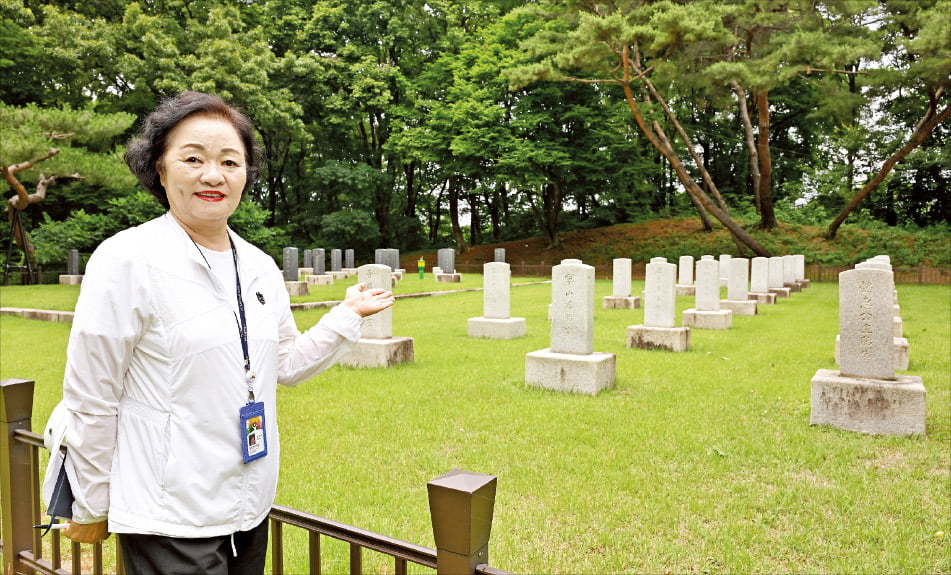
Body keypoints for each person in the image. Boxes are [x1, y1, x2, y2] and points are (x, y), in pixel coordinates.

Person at [58, 91, 394, 574]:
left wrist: (347, 315)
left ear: (245, 174)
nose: (212, 175)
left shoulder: (258, 265)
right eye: (192, 158)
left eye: (229, 161)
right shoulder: (127, 259)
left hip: (247, 507)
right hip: (168, 514)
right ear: (160, 167)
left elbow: (287, 365)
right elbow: (92, 394)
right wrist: (91, 504)